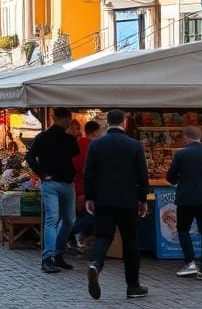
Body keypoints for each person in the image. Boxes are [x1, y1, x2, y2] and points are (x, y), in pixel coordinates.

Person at [84, 109, 150, 300]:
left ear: (107, 123)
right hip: (128, 201)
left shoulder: (96, 145)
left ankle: (95, 264)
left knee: (103, 236)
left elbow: (89, 173)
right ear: (124, 123)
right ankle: (133, 286)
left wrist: (89, 197)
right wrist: (143, 199)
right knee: (130, 241)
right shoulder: (134, 145)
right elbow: (142, 174)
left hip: (103, 200)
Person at [26, 106, 79, 273]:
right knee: (53, 219)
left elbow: (75, 155)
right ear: (57, 119)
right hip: (52, 184)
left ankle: (57, 254)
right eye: (66, 119)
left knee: (69, 219)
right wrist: (42, 175)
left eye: (69, 119)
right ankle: (47, 258)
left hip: (67, 184)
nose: (68, 121)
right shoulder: (43, 137)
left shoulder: (69, 138)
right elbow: (29, 157)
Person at [166, 125, 202, 279]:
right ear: (200, 137)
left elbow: (170, 178)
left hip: (186, 199)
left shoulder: (181, 154)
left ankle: (190, 263)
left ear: (186, 137)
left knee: (183, 229)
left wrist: (181, 178)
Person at [70, 120, 102, 251]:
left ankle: (73, 239)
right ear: (96, 132)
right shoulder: (93, 145)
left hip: (75, 185)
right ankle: (67, 235)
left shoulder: (78, 143)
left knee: (79, 215)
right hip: (85, 186)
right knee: (91, 214)